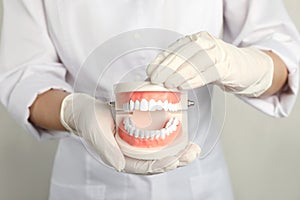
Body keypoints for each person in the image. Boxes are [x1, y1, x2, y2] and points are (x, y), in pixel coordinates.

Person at [0, 0, 299, 199]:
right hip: (87, 181)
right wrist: (74, 113)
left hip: (200, 183)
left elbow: (282, 56)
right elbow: (24, 74)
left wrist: (238, 65)